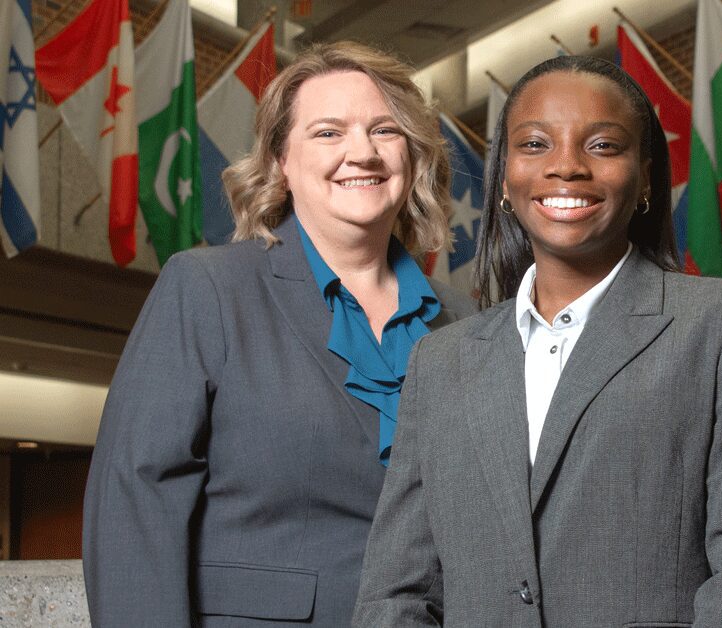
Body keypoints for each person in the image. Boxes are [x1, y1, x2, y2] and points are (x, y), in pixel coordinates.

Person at [354, 55, 722, 627]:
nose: (566, 167)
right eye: (536, 144)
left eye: (603, 146)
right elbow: (397, 590)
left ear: (644, 179)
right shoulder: (441, 359)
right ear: (505, 183)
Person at [82, 42, 476, 626]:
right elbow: (133, 506)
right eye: (327, 133)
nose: (361, 152)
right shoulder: (208, 289)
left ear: (413, 157)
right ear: (280, 162)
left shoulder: (464, 319)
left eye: (384, 130)